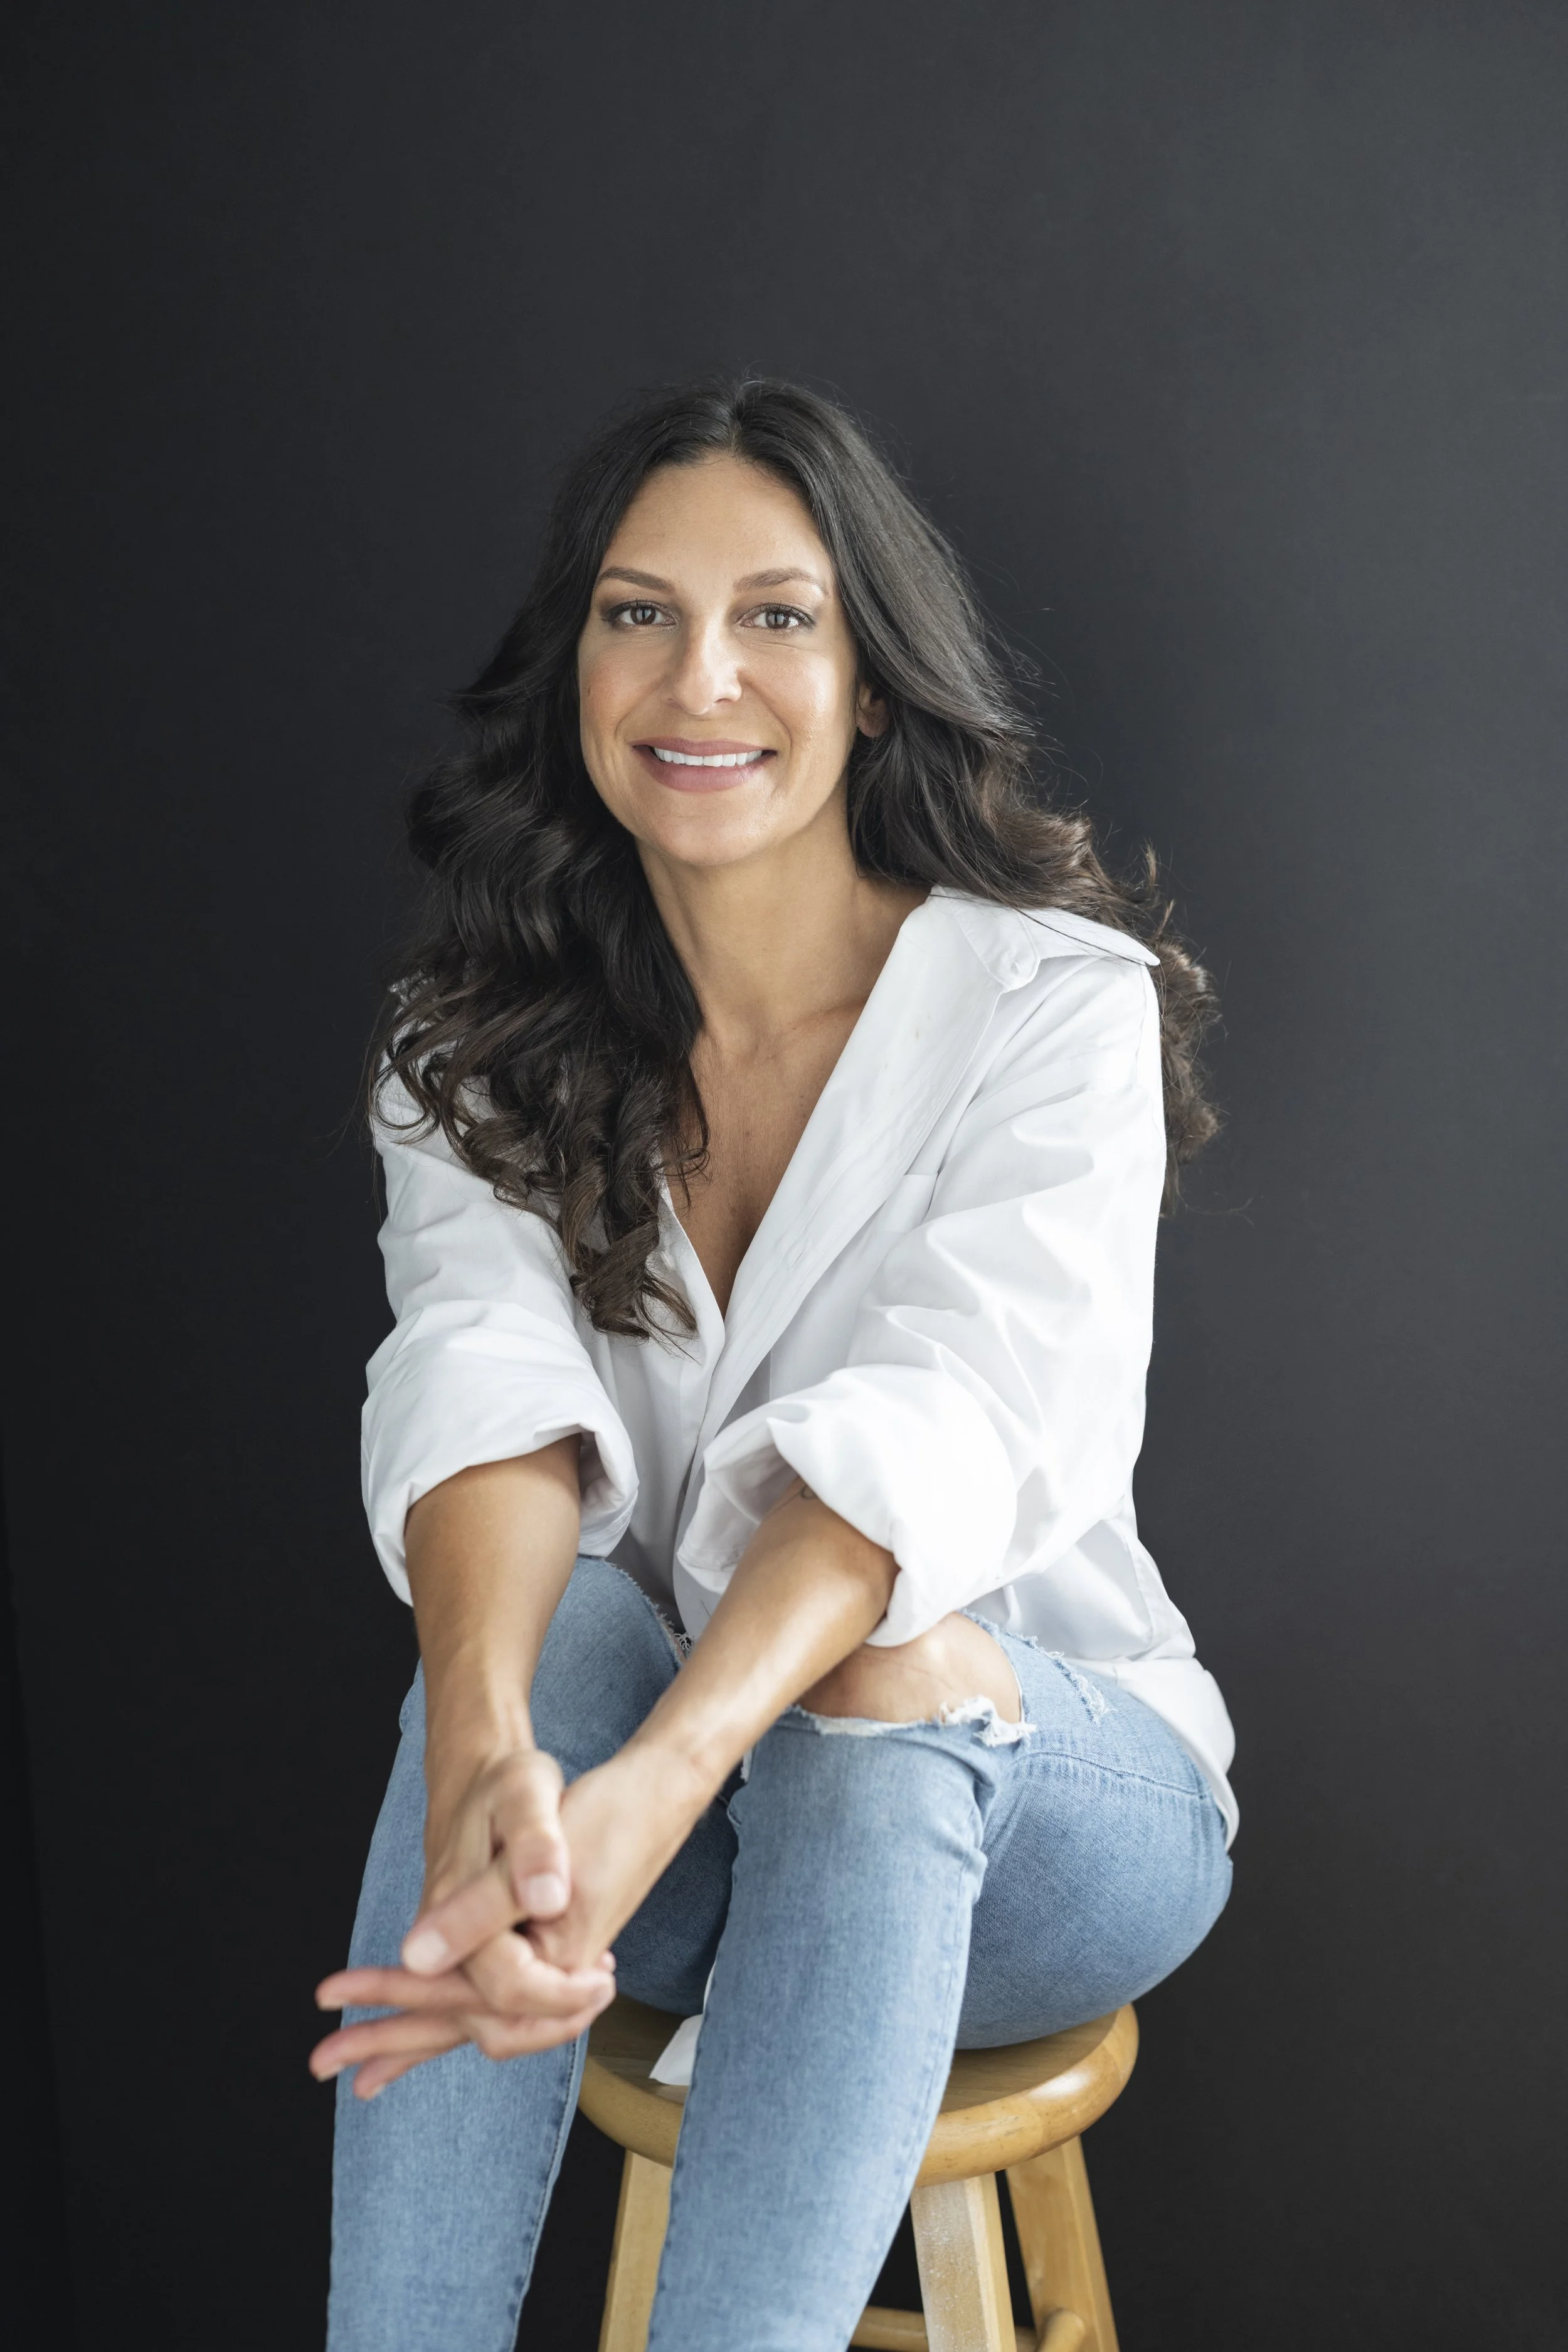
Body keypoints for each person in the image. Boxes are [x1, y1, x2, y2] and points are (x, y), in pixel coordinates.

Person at [311, 378, 1237, 2351]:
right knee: (527, 1653)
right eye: (636, 612)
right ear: (577, 664)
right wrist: (495, 1752)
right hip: (666, 1842)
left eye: (777, 615)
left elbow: (940, 1432)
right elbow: (476, 1381)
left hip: (1032, 1825)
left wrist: (658, 1773)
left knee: (881, 1668)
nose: (697, 674)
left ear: (874, 680)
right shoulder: (464, 1040)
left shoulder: (1045, 1008)